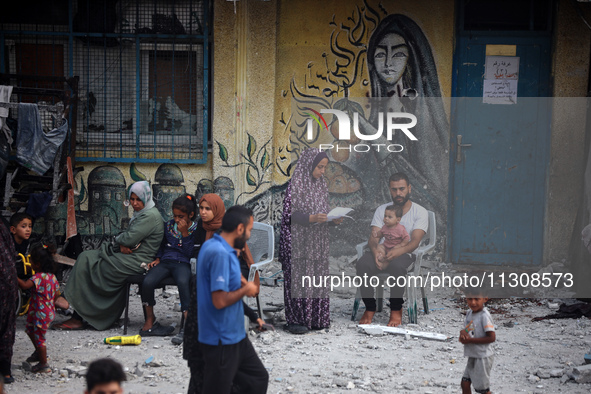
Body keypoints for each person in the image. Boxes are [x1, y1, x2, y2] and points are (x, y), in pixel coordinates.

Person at [357, 13, 448, 218]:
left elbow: (405, 167)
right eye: (381, 54)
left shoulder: (418, 112)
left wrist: (367, 128)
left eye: (398, 54)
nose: (388, 62)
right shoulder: (377, 111)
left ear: (412, 59)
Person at [54, 181, 164, 330]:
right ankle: (76, 310)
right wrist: (122, 242)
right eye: (132, 199)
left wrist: (120, 240)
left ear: (147, 198)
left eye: (139, 199)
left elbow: (129, 238)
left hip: (138, 260)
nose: (135, 203)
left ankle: (82, 316)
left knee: (96, 267)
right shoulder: (143, 214)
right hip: (129, 256)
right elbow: (130, 238)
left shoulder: (150, 216)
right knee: (86, 257)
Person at [197, 205, 268, 393]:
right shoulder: (220, 254)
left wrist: (254, 316)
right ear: (239, 229)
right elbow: (219, 301)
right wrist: (246, 290)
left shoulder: (215, 245)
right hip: (221, 339)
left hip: (236, 336)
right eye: (250, 230)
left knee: (257, 378)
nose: (250, 235)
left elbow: (228, 282)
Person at [279, 148, 342, 335]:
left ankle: (316, 318)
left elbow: (323, 211)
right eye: (320, 167)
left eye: (324, 168)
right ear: (309, 165)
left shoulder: (321, 184)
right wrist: (312, 218)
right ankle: (297, 320)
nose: (322, 171)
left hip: (317, 240)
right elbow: (289, 216)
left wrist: (333, 219)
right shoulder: (296, 184)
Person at [356, 172, 428, 327]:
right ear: (390, 190)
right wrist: (376, 252)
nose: (398, 193)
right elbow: (373, 238)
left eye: (402, 189)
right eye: (394, 189)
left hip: (405, 252)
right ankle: (370, 307)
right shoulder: (382, 210)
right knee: (363, 264)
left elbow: (415, 241)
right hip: (382, 250)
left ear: (409, 188)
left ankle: (396, 309)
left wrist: (397, 252)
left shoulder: (419, 212)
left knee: (397, 266)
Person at [140, 194, 199, 339]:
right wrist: (158, 258)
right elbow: (161, 244)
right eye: (175, 216)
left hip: (183, 263)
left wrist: (184, 234)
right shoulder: (168, 226)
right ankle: (149, 321)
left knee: (184, 282)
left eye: (181, 216)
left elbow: (190, 252)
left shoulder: (196, 230)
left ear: (191, 215)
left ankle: (188, 324)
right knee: (147, 282)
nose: (177, 219)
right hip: (166, 262)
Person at [17, 243, 60, 373]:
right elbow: (57, 294)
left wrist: (14, 275)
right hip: (45, 311)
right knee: (30, 330)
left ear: (37, 264)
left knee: (39, 337)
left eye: (31, 262)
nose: (29, 264)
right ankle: (38, 352)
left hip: (40, 312)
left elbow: (25, 285)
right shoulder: (52, 277)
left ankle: (43, 364)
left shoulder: (37, 277)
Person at [459, 290, 495, 394]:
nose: (473, 302)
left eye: (477, 299)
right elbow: (470, 327)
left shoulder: (484, 316)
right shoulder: (470, 313)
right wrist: (463, 333)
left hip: (483, 357)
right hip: (473, 355)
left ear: (485, 298)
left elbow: (491, 337)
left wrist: (471, 340)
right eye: (470, 299)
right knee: (465, 383)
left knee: (483, 390)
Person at [0, 221, 17, 384]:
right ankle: (5, 371)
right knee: (6, 327)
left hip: (5, 283)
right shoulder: (3, 228)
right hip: (8, 283)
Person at [9, 212, 33, 278]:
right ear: (13, 230)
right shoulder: (8, 242)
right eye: (23, 226)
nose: (28, 230)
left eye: (30, 226)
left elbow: (25, 256)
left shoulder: (26, 242)